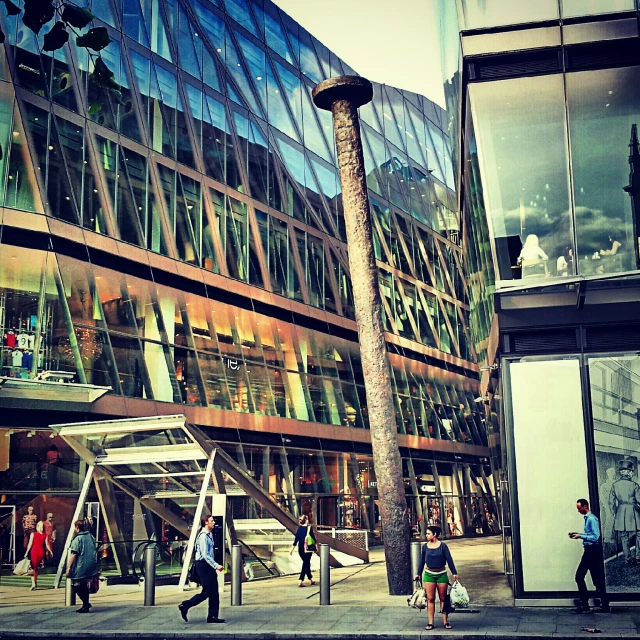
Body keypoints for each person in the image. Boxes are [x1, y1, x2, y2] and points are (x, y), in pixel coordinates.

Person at [179, 515, 225, 624]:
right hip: (204, 565)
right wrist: (216, 565)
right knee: (208, 591)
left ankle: (212, 616)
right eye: (211, 521)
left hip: (207, 565)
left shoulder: (209, 534)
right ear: (206, 523)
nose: (213, 522)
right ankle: (185, 605)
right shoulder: (204, 536)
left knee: (214, 591)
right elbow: (205, 554)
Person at [415, 525, 459, 631]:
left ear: (434, 535)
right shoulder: (425, 547)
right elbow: (422, 560)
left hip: (441, 574)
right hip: (429, 574)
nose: (426, 535)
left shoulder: (443, 546)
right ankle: (430, 622)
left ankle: (445, 621)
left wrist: (454, 572)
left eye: (428, 533)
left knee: (443, 598)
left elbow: (449, 559)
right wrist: (418, 573)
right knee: (430, 599)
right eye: (426, 533)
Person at [569, 498, 609, 614]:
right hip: (590, 551)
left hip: (592, 551)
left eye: (579, 508)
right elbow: (589, 534)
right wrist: (577, 534)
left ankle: (585, 605)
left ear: (585, 506)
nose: (578, 510)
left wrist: (581, 537)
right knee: (596, 579)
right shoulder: (588, 519)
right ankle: (604, 605)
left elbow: (596, 536)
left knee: (579, 576)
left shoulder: (592, 519)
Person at [609, 459, 640, 566]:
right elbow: (639, 500)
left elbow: (611, 502)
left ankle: (628, 560)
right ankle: (638, 557)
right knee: (639, 534)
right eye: (631, 471)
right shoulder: (635, 485)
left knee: (624, 537)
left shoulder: (615, 485)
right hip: (634, 513)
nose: (632, 473)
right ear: (627, 472)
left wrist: (614, 512)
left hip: (621, 513)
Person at [65, 519, 98, 613]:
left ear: (77, 527)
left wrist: (68, 567)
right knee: (84, 584)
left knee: (76, 585)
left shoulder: (77, 539)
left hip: (80, 565)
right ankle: (85, 605)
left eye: (75, 526)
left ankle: (85, 603)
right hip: (91, 565)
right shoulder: (90, 536)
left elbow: (74, 554)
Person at [25, 520, 52, 590]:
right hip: (41, 552)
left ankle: (33, 583)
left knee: (33, 568)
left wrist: (27, 552)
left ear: (37, 526)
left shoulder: (33, 534)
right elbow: (47, 544)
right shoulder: (44, 535)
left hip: (34, 551)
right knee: (36, 568)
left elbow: (30, 544)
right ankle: (35, 582)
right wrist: (50, 551)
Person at [290, 514, 315, 587]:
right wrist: (316, 547)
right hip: (307, 549)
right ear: (306, 520)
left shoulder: (299, 529)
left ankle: (311, 579)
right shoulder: (309, 528)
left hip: (300, 549)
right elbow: (313, 538)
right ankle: (300, 580)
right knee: (306, 564)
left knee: (306, 563)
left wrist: (292, 549)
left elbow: (296, 540)